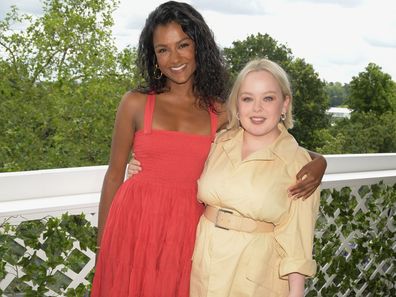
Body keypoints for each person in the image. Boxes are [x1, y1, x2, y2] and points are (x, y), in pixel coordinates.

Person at [92, 1, 325, 297]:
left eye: (183, 45)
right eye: (162, 49)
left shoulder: (221, 111)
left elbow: (271, 137)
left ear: (199, 47)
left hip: (188, 233)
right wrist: (103, 247)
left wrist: (319, 160)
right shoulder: (135, 103)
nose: (174, 58)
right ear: (154, 56)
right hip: (135, 226)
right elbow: (113, 175)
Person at [189, 58, 320, 297]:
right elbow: (179, 165)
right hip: (203, 268)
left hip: (255, 277)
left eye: (268, 98)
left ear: (284, 104)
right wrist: (137, 166)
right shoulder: (219, 143)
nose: (257, 108)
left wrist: (296, 293)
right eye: (247, 98)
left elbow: (298, 241)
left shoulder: (299, 165)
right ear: (237, 105)